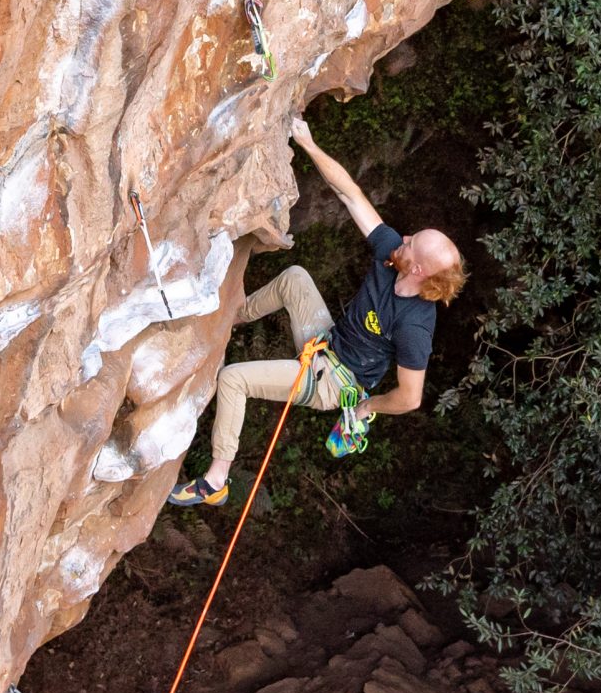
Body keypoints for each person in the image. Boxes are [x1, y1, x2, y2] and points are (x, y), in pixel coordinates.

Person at [167, 117, 466, 506]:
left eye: (411, 243)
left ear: (419, 270)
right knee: (295, 277)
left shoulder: (414, 325)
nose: (403, 238)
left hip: (334, 383)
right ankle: (231, 317)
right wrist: (307, 143)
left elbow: (410, 398)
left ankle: (216, 480)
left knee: (233, 380)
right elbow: (350, 195)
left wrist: (364, 408)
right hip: (325, 342)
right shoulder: (392, 256)